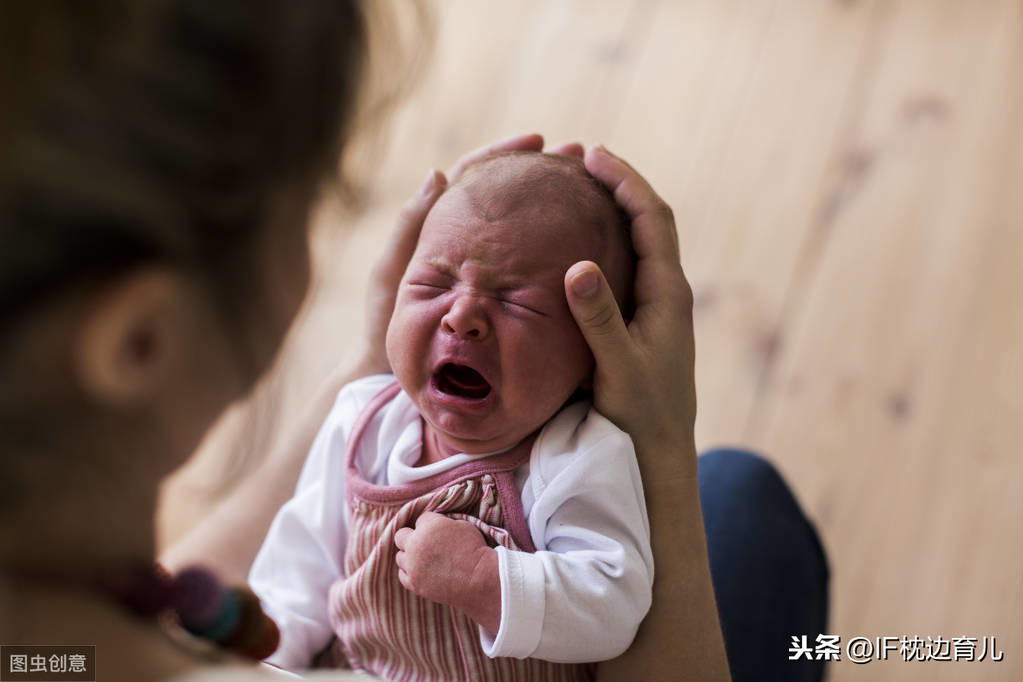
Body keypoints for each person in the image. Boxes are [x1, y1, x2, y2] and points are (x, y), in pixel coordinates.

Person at [0, 1, 826, 681]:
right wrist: (663, 458)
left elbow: (243, 586)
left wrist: (374, 362)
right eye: (311, 204)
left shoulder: (51, 641)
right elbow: (300, 561)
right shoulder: (367, 433)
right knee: (742, 506)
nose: (460, 315)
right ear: (139, 340)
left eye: (516, 304)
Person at [249, 151, 652, 678]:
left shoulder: (579, 455)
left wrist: (485, 577)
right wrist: (266, 660)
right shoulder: (363, 423)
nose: (461, 317)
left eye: (517, 302)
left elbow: (614, 605)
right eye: (433, 285)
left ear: (590, 355)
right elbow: (296, 573)